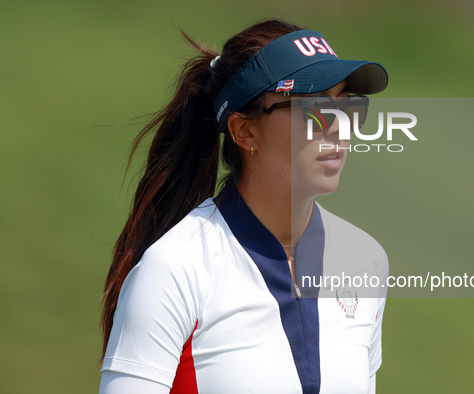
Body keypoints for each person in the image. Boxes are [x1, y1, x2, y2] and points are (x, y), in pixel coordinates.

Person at [99, 19, 389, 394]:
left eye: (347, 105)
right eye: (314, 107)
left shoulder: (365, 260)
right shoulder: (174, 269)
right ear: (244, 131)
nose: (338, 127)